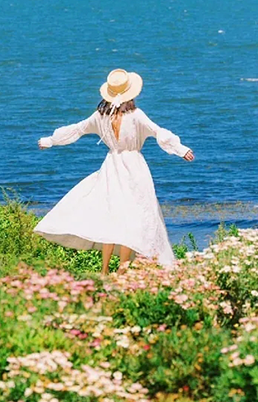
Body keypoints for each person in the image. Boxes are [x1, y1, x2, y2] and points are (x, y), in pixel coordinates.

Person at [34, 68, 194, 272]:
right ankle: (122, 268)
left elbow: (77, 129)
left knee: (112, 217)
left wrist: (49, 141)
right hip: (133, 168)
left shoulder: (100, 116)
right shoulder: (136, 115)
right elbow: (158, 132)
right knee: (132, 217)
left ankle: (104, 270)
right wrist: (181, 150)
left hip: (111, 166)